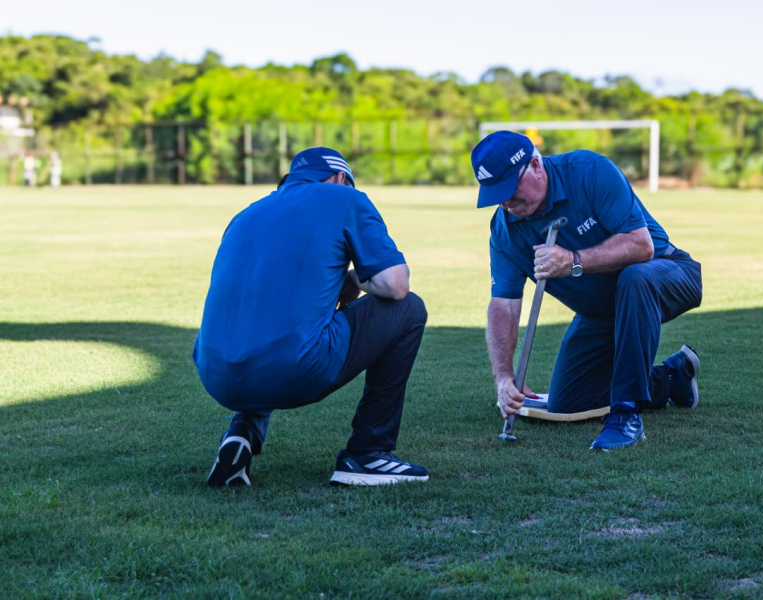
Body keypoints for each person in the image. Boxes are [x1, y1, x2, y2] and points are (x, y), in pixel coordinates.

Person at [194, 147, 429, 486]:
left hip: (216, 375)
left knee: (268, 325)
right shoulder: (344, 197)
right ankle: (368, 453)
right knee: (409, 309)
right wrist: (353, 280)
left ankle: (242, 431)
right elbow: (395, 285)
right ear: (339, 178)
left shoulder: (246, 213)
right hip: (293, 368)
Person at [472, 131, 703, 451]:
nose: (506, 202)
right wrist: (503, 376)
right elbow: (504, 305)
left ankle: (625, 414)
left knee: (634, 279)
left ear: (535, 165)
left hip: (667, 272)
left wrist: (573, 261)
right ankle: (671, 378)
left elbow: (642, 246)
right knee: (568, 402)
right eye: (497, 195)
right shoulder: (504, 231)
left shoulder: (590, 171)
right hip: (602, 309)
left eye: (510, 188)